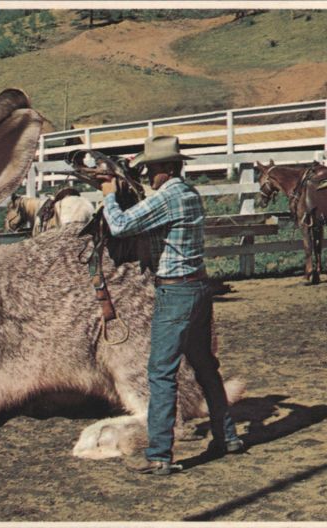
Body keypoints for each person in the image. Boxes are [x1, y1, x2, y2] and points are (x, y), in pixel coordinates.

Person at [100, 135, 243, 476]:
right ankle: (228, 437)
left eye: (151, 169)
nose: (148, 175)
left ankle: (161, 454)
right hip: (197, 288)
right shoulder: (188, 194)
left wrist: (108, 196)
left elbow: (120, 226)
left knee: (161, 374)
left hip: (175, 293)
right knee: (205, 366)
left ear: (165, 168)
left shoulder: (169, 198)